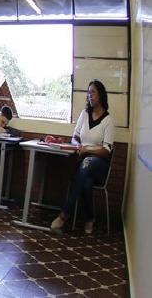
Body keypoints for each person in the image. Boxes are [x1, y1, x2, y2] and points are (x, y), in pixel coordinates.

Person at [51, 80, 115, 234]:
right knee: (85, 182)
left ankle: (64, 214)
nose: (90, 96)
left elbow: (107, 150)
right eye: (88, 93)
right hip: (83, 163)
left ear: (101, 95)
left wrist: (87, 150)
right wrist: (78, 146)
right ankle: (90, 218)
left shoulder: (109, 120)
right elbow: (75, 137)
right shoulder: (84, 114)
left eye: (93, 92)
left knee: (87, 162)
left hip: (100, 165)